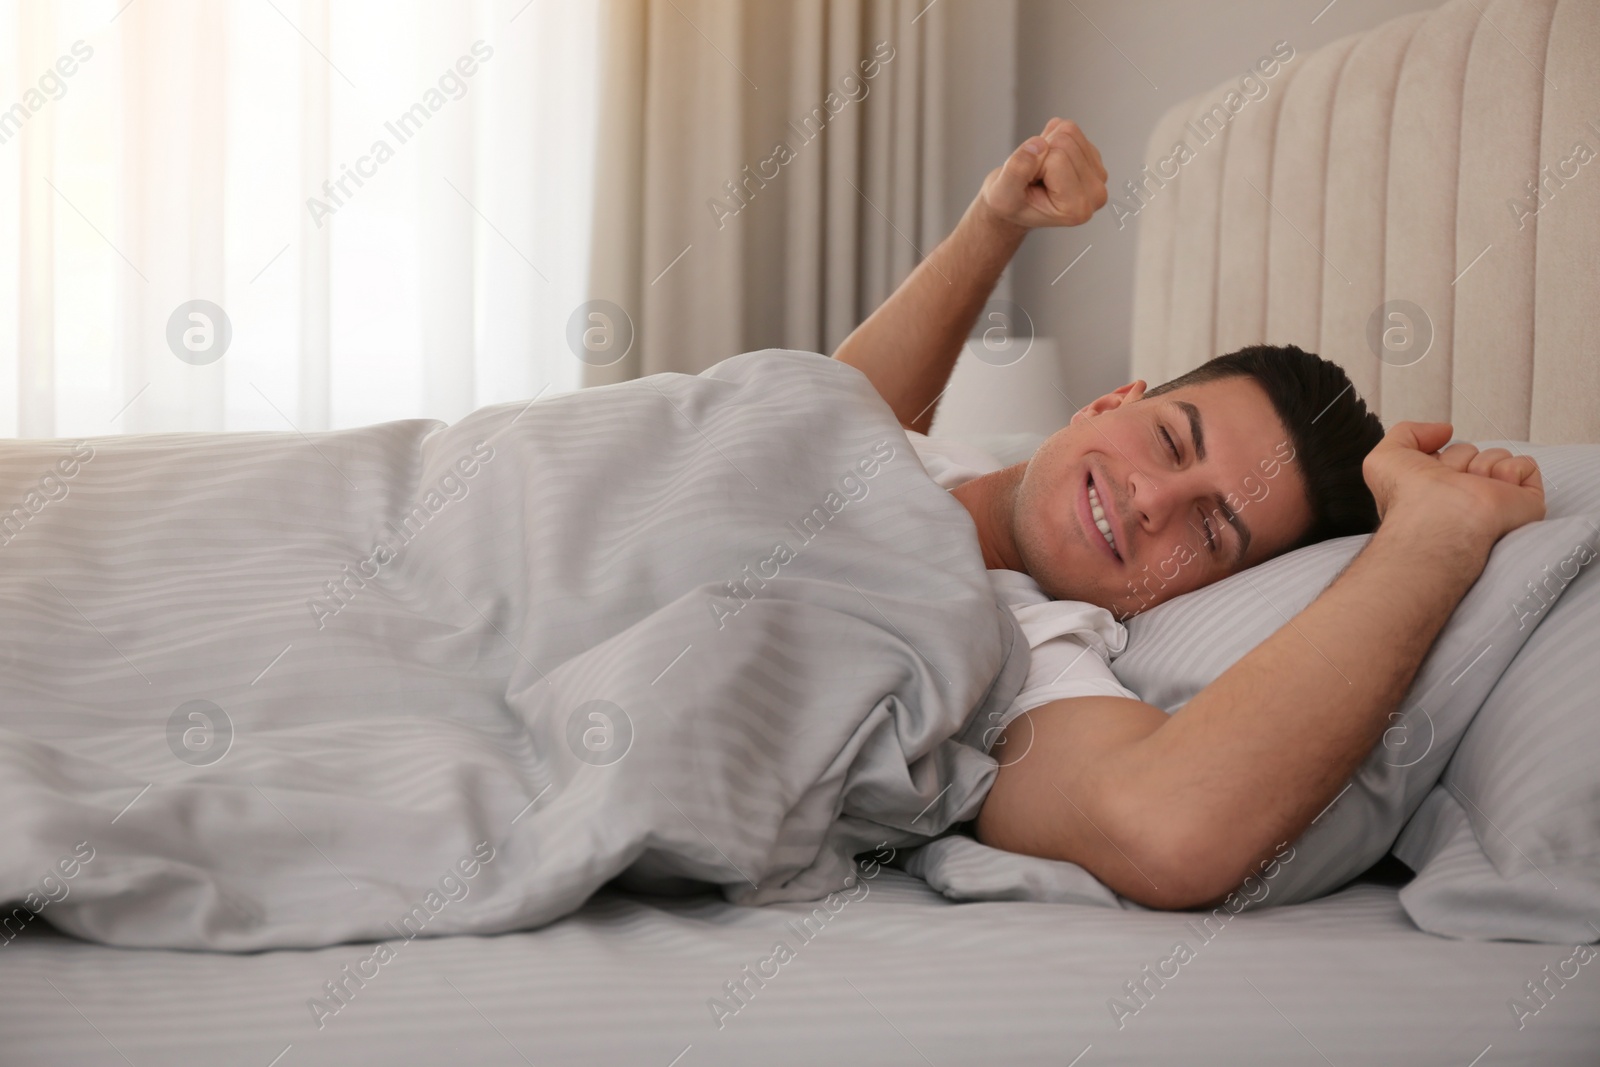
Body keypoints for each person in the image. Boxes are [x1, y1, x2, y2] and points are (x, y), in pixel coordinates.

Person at [833, 118, 1546, 911]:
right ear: (1108, 402)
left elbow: (1163, 828)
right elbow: (834, 413)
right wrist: (996, 223)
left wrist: (1433, 536)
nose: (1152, 500)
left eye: (1208, 531)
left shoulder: (1025, 652)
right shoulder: (903, 453)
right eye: (1171, 442)